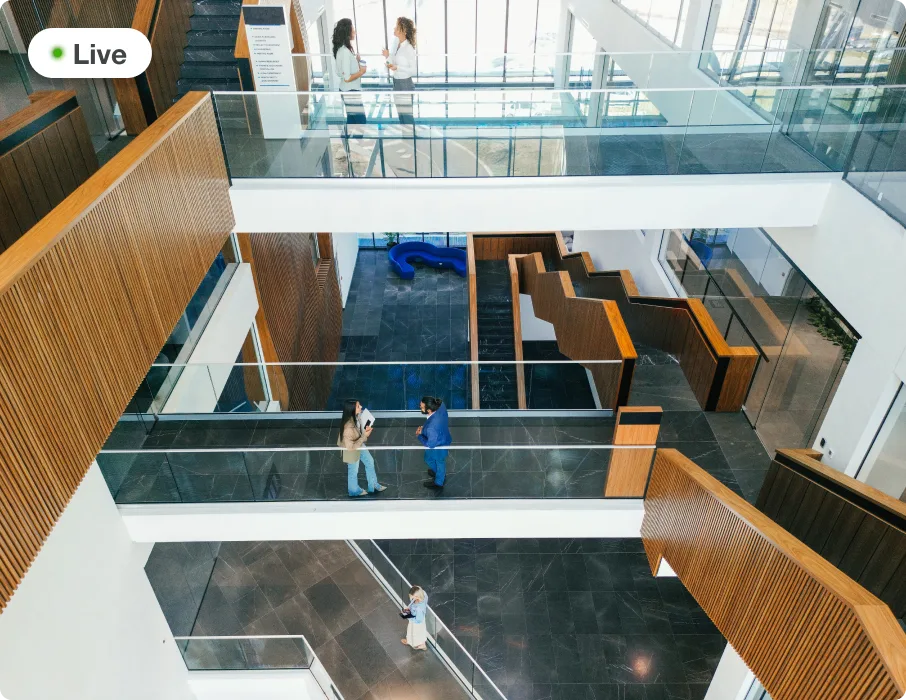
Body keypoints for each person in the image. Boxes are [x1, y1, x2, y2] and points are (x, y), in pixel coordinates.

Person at [338, 399, 386, 496]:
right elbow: (351, 448)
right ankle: (354, 491)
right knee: (353, 470)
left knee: (370, 461)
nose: (361, 407)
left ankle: (373, 485)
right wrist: (365, 436)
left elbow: (359, 430)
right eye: (358, 406)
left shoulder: (357, 416)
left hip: (358, 442)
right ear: (352, 410)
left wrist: (365, 430)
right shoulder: (347, 428)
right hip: (350, 448)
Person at [333, 18, 368, 124]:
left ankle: (349, 135)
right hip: (350, 92)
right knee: (361, 122)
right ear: (347, 33)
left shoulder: (342, 49)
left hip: (346, 90)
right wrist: (361, 71)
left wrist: (355, 61)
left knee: (352, 120)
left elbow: (341, 72)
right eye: (353, 30)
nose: (355, 32)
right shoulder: (345, 52)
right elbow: (347, 78)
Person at [382, 17, 416, 125]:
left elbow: (413, 70)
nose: (394, 28)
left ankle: (411, 135)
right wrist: (387, 57)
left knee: (407, 117)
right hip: (396, 83)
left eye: (397, 27)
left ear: (403, 31)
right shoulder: (397, 44)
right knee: (401, 116)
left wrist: (398, 68)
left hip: (405, 84)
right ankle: (406, 135)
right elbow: (392, 61)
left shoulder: (408, 48)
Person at [416, 396, 452, 489]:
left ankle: (439, 481)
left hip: (439, 446)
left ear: (429, 410)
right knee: (431, 459)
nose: (420, 407)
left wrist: (419, 435)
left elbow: (430, 444)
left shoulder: (431, 427)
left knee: (437, 461)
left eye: (422, 407)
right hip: (444, 437)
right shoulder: (441, 407)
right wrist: (424, 429)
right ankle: (439, 472)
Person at [401, 585, 428, 650]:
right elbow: (420, 589)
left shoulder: (419, 609)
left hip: (416, 622)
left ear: (417, 596)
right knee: (421, 632)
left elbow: (417, 620)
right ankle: (422, 644)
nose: (411, 598)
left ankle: (412, 643)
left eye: (412, 597)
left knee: (413, 633)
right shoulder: (423, 595)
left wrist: (407, 614)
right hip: (420, 620)